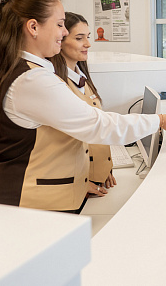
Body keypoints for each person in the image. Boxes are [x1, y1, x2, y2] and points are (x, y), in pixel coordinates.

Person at [0, 0, 166, 213]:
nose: (64, 32)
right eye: (59, 25)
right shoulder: (32, 80)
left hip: (38, 201)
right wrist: (160, 121)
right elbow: (97, 125)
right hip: (31, 206)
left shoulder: (25, 71)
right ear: (33, 27)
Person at [49, 11, 116, 197]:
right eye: (79, 38)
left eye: (87, 37)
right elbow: (57, 144)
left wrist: (105, 167)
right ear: (60, 40)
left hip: (96, 178)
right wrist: (80, 182)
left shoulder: (81, 77)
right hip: (77, 184)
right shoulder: (56, 84)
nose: (88, 44)